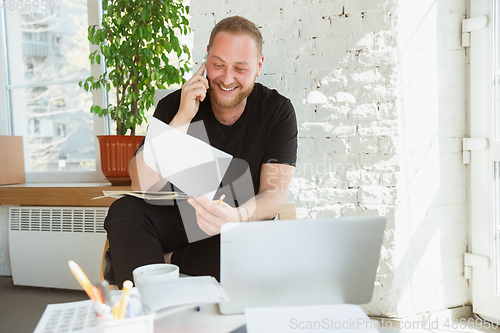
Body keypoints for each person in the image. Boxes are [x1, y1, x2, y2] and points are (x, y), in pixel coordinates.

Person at [104, 16, 298, 287]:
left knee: (259, 253)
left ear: (258, 66)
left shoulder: (277, 111)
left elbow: (274, 193)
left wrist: (236, 216)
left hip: (234, 223)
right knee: (124, 211)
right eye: (218, 65)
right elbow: (142, 183)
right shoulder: (175, 104)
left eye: (240, 68)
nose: (227, 78)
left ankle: (164, 262)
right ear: (206, 58)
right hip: (177, 220)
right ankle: (149, 317)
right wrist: (182, 119)